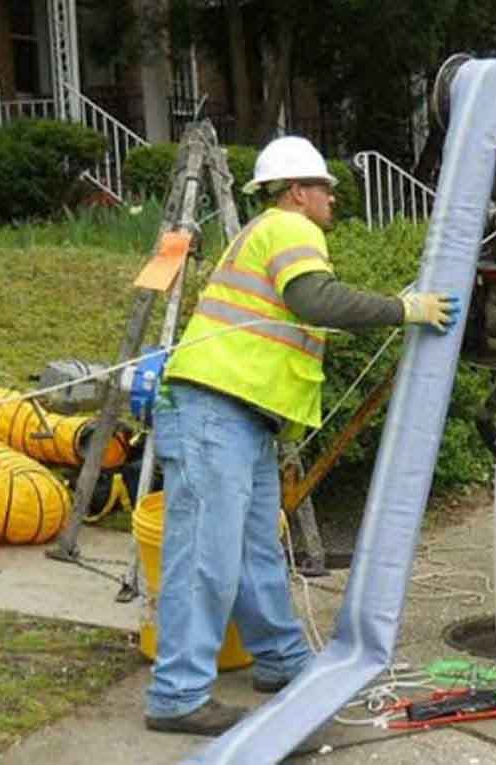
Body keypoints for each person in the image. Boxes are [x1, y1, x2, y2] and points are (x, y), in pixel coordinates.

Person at [144, 136, 457, 735]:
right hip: (217, 409)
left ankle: (282, 660)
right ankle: (177, 695)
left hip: (238, 413)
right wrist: (403, 308)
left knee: (256, 547)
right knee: (206, 556)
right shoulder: (291, 228)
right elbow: (314, 300)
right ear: (296, 192)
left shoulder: (267, 230)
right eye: (325, 189)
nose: (333, 199)